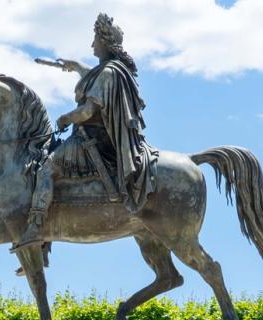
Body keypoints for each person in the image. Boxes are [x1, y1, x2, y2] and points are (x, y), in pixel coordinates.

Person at [11, 12, 158, 251]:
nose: (92, 45)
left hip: (92, 143)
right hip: (95, 139)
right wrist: (78, 67)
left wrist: (66, 117)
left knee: (46, 167)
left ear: (105, 43)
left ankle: (36, 228)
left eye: (95, 41)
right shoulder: (113, 70)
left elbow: (88, 111)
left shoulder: (109, 72)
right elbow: (94, 79)